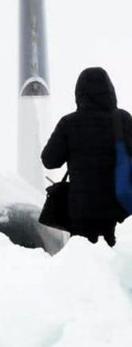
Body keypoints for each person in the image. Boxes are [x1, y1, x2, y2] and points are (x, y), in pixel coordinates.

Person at [42, 67, 132, 246]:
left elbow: (49, 160)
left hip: (82, 212)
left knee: (84, 264)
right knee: (118, 261)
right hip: (118, 209)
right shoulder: (122, 119)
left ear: (79, 93)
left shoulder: (69, 123)